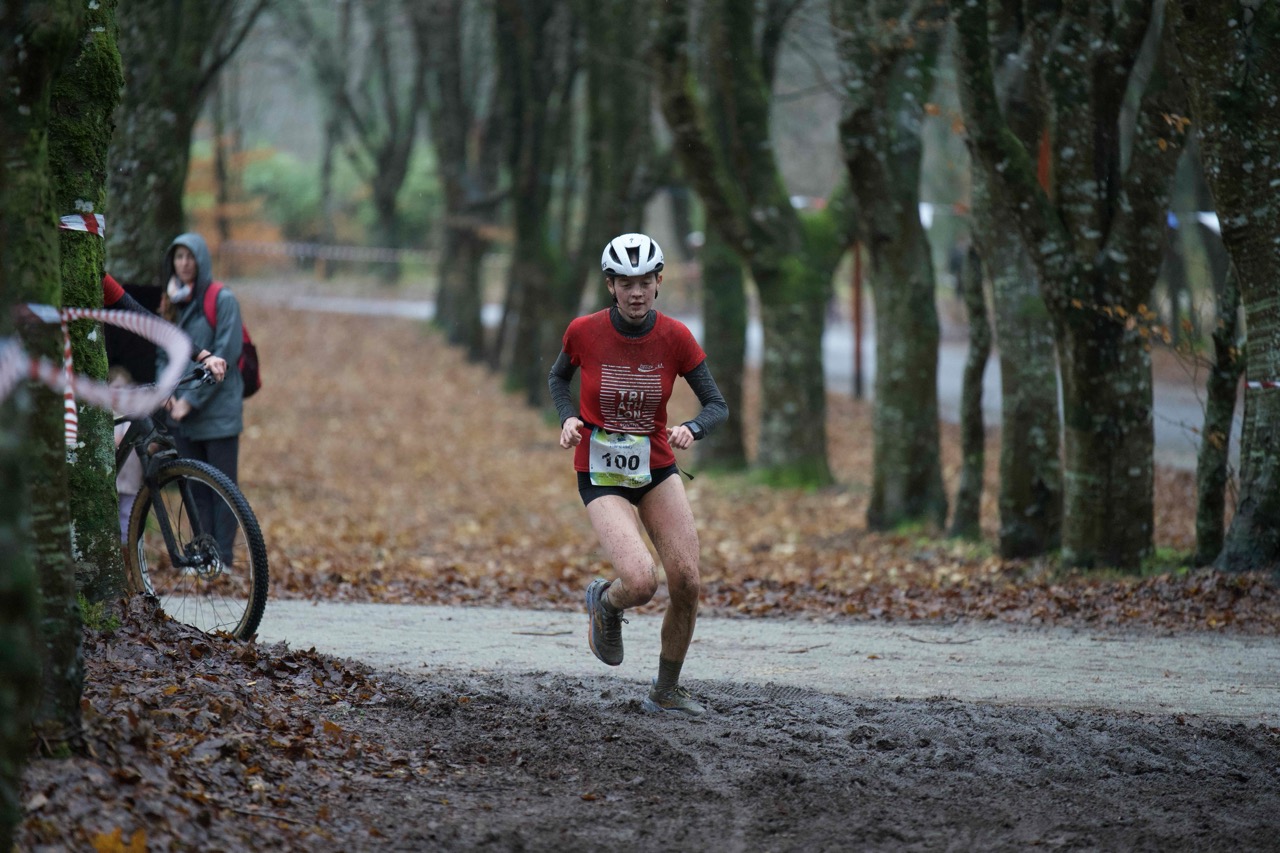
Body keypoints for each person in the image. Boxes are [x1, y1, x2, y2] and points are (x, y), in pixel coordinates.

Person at [548, 232, 728, 717]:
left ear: (659, 282)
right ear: (610, 285)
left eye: (645, 282)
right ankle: (606, 604)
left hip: (656, 467)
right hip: (600, 471)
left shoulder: (676, 337)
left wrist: (693, 427)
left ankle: (666, 690)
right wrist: (567, 417)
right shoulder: (583, 331)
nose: (636, 293)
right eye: (625, 283)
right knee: (642, 581)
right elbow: (557, 377)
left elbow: (717, 404)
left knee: (686, 581)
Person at [155, 232, 245, 562]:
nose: (184, 264)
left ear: (201, 260)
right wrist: (166, 391)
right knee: (194, 489)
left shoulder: (222, 299)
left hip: (217, 413)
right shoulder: (170, 302)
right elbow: (162, 353)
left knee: (223, 489)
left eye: (190, 257)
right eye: (178, 257)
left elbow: (226, 354)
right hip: (182, 416)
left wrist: (189, 401)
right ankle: (206, 554)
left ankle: (224, 557)